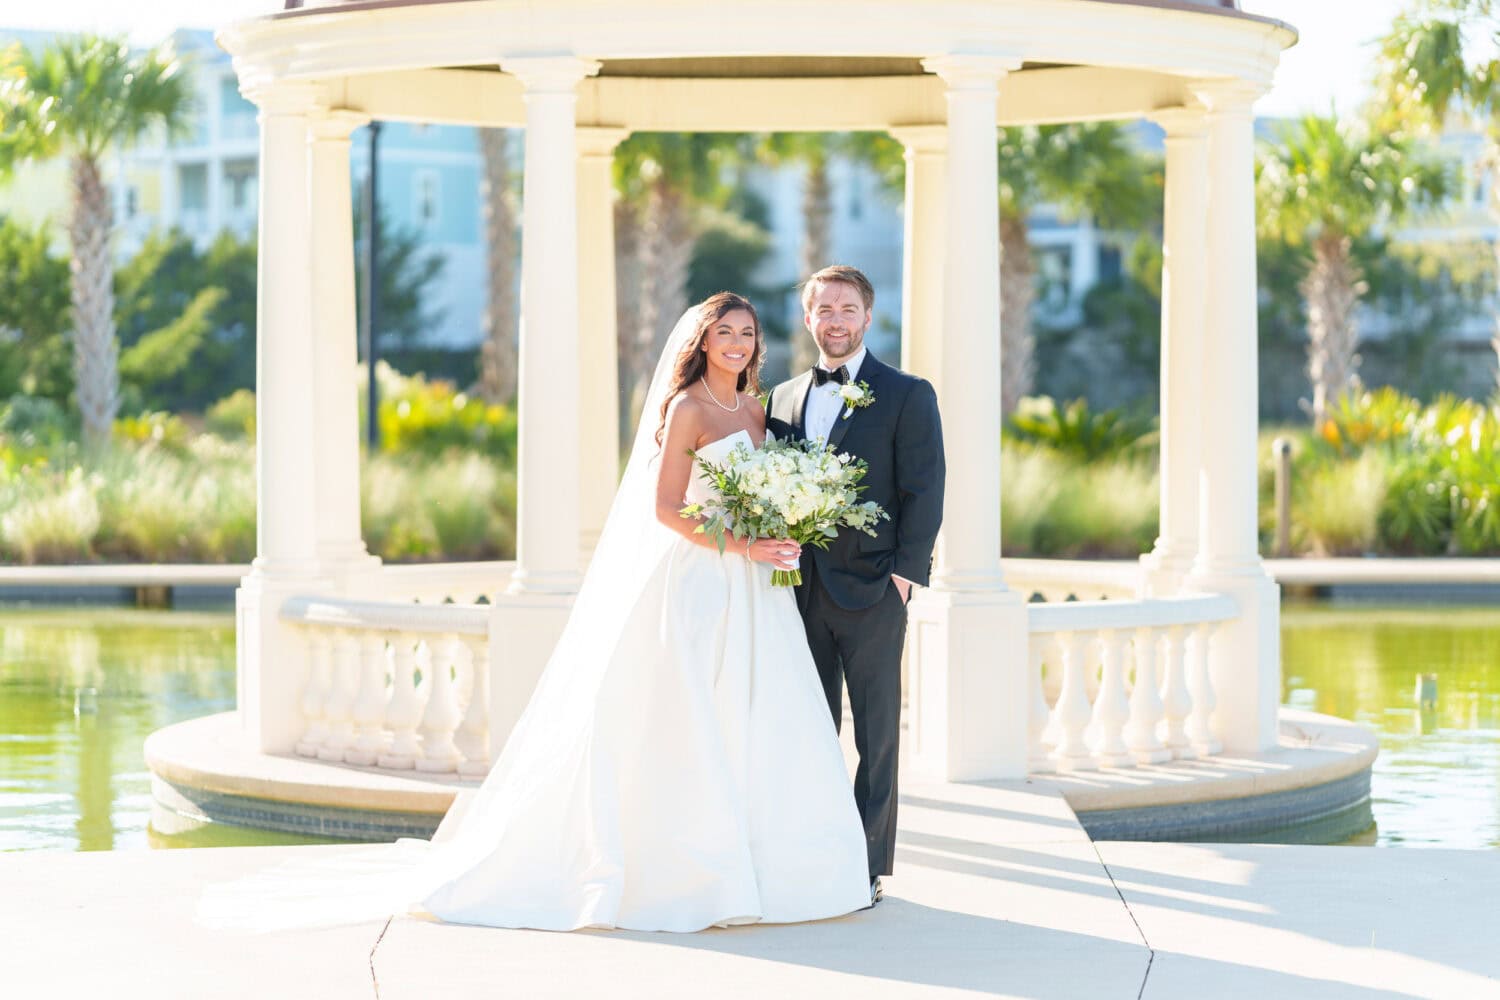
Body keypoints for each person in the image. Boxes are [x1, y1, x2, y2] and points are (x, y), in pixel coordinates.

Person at [198, 292, 871, 934]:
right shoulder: (688, 410)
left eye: (746, 332)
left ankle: (764, 867)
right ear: (700, 342)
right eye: (724, 332)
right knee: (689, 714)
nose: (736, 342)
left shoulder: (756, 411)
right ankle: (690, 870)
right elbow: (666, 510)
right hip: (699, 578)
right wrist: (743, 542)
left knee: (757, 715)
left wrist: (779, 529)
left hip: (755, 586)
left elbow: (763, 488)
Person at [765, 265, 946, 904]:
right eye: (823, 309)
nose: (835, 320)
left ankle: (864, 867)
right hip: (796, 592)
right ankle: (809, 851)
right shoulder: (781, 398)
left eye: (847, 308)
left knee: (875, 734)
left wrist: (903, 579)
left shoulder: (906, 393)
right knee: (808, 726)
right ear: (808, 318)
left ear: (867, 317)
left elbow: (925, 492)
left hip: (874, 591)